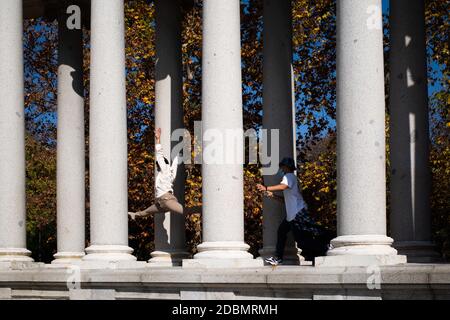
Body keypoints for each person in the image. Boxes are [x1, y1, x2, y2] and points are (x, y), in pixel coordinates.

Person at [256, 157, 332, 266]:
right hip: (292, 216)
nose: (280, 168)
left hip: (298, 213)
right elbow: (285, 200)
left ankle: (327, 243)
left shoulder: (289, 176)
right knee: (283, 232)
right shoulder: (290, 178)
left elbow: (283, 186)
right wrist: (272, 196)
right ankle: (278, 258)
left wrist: (266, 188)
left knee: (306, 236)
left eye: (282, 166)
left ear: (286, 167)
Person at [128, 128, 194, 220]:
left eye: (157, 165)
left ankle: (203, 209)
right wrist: (183, 149)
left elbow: (159, 154)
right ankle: (135, 215)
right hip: (162, 203)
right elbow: (175, 163)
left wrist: (158, 138)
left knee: (185, 211)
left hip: (166, 200)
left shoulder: (164, 168)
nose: (157, 167)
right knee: (146, 212)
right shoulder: (170, 173)